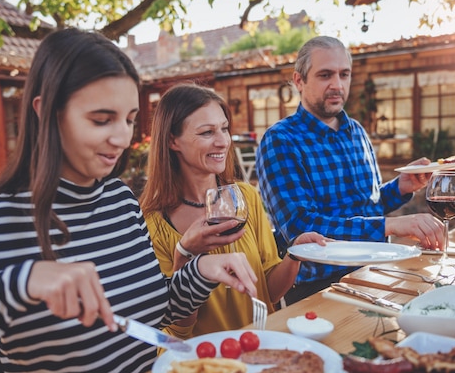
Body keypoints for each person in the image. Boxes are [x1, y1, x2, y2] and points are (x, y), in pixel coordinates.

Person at [0, 28, 259, 373]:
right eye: (101, 119)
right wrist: (17, 284)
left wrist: (199, 272)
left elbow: (150, 315)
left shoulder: (120, 200)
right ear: (46, 113)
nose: (122, 138)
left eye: (128, 119)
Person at [256, 36, 445, 305]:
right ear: (299, 81)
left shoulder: (356, 131)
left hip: (377, 271)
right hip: (319, 287)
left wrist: (401, 187)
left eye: (344, 74)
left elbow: (367, 206)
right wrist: (390, 226)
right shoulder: (280, 140)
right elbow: (301, 227)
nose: (337, 84)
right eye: (325, 75)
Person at [139, 83, 328, 339]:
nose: (223, 142)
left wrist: (294, 254)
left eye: (224, 129)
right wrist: (184, 255)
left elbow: (269, 292)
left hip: (259, 344)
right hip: (204, 362)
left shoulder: (246, 197)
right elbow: (179, 327)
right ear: (173, 140)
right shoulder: (154, 223)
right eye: (207, 132)